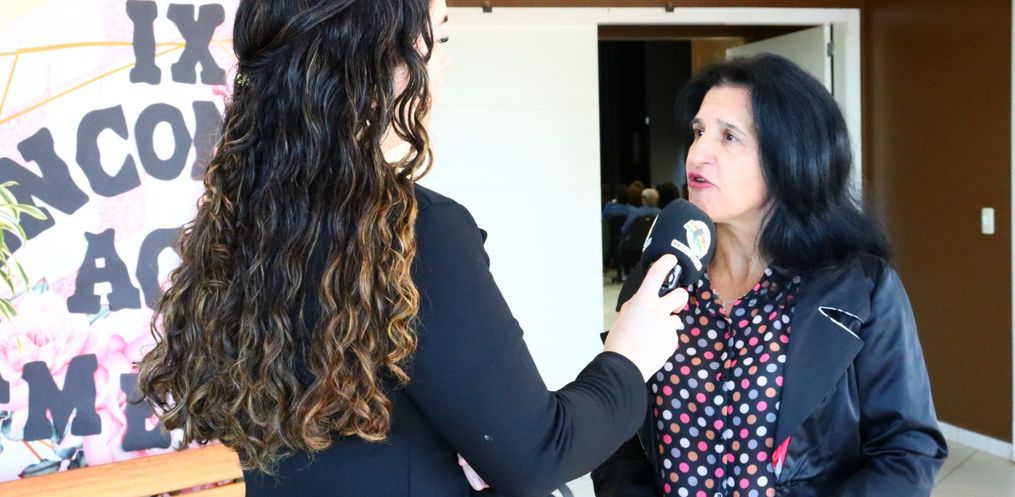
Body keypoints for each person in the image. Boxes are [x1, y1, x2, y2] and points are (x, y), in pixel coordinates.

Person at [135, 1, 689, 496]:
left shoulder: (246, 221)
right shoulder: (413, 233)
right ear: (377, 60)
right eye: (439, 37)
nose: (446, 61)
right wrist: (629, 356)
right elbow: (540, 454)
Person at [592, 54, 947, 497]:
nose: (698, 153)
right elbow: (616, 436)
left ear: (790, 157)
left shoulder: (860, 288)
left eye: (729, 137)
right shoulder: (661, 279)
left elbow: (908, 451)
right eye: (698, 132)